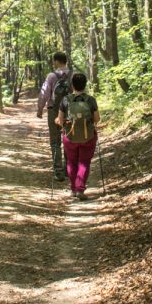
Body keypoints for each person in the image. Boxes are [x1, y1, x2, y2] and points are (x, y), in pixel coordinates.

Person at [56, 71, 100, 200]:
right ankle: (80, 189)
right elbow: (97, 119)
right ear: (85, 85)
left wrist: (58, 122)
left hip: (70, 136)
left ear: (72, 85)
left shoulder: (66, 100)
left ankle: (73, 189)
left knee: (71, 162)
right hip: (88, 136)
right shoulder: (91, 100)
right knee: (84, 162)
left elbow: (60, 120)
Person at [36, 51, 71, 181]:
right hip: (69, 111)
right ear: (65, 61)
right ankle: (69, 170)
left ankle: (58, 172)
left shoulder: (51, 76)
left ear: (57, 61)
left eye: (54, 61)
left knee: (55, 141)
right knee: (69, 139)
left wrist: (40, 109)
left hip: (54, 110)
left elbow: (44, 93)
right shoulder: (73, 75)